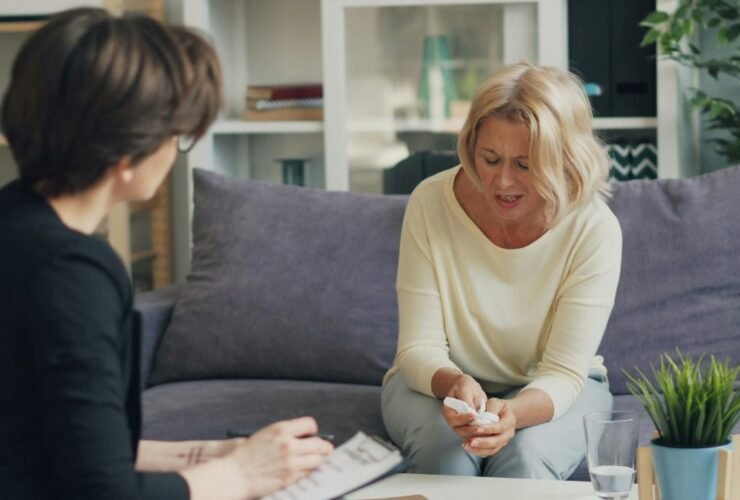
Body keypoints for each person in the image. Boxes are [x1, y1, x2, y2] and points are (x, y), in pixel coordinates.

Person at [0, 8, 332, 499]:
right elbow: (103, 491)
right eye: (175, 134)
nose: (174, 152)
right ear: (126, 155)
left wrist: (210, 457)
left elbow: (55, 442)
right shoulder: (73, 272)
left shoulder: (14, 220)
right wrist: (243, 477)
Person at [381, 62, 622, 480]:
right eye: (490, 159)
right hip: (440, 384)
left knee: (524, 461)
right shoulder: (430, 202)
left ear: (564, 160)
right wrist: (454, 383)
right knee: (446, 454)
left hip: (555, 388)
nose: (502, 182)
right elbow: (417, 347)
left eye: (525, 165)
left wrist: (512, 414)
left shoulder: (593, 228)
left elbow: (563, 374)